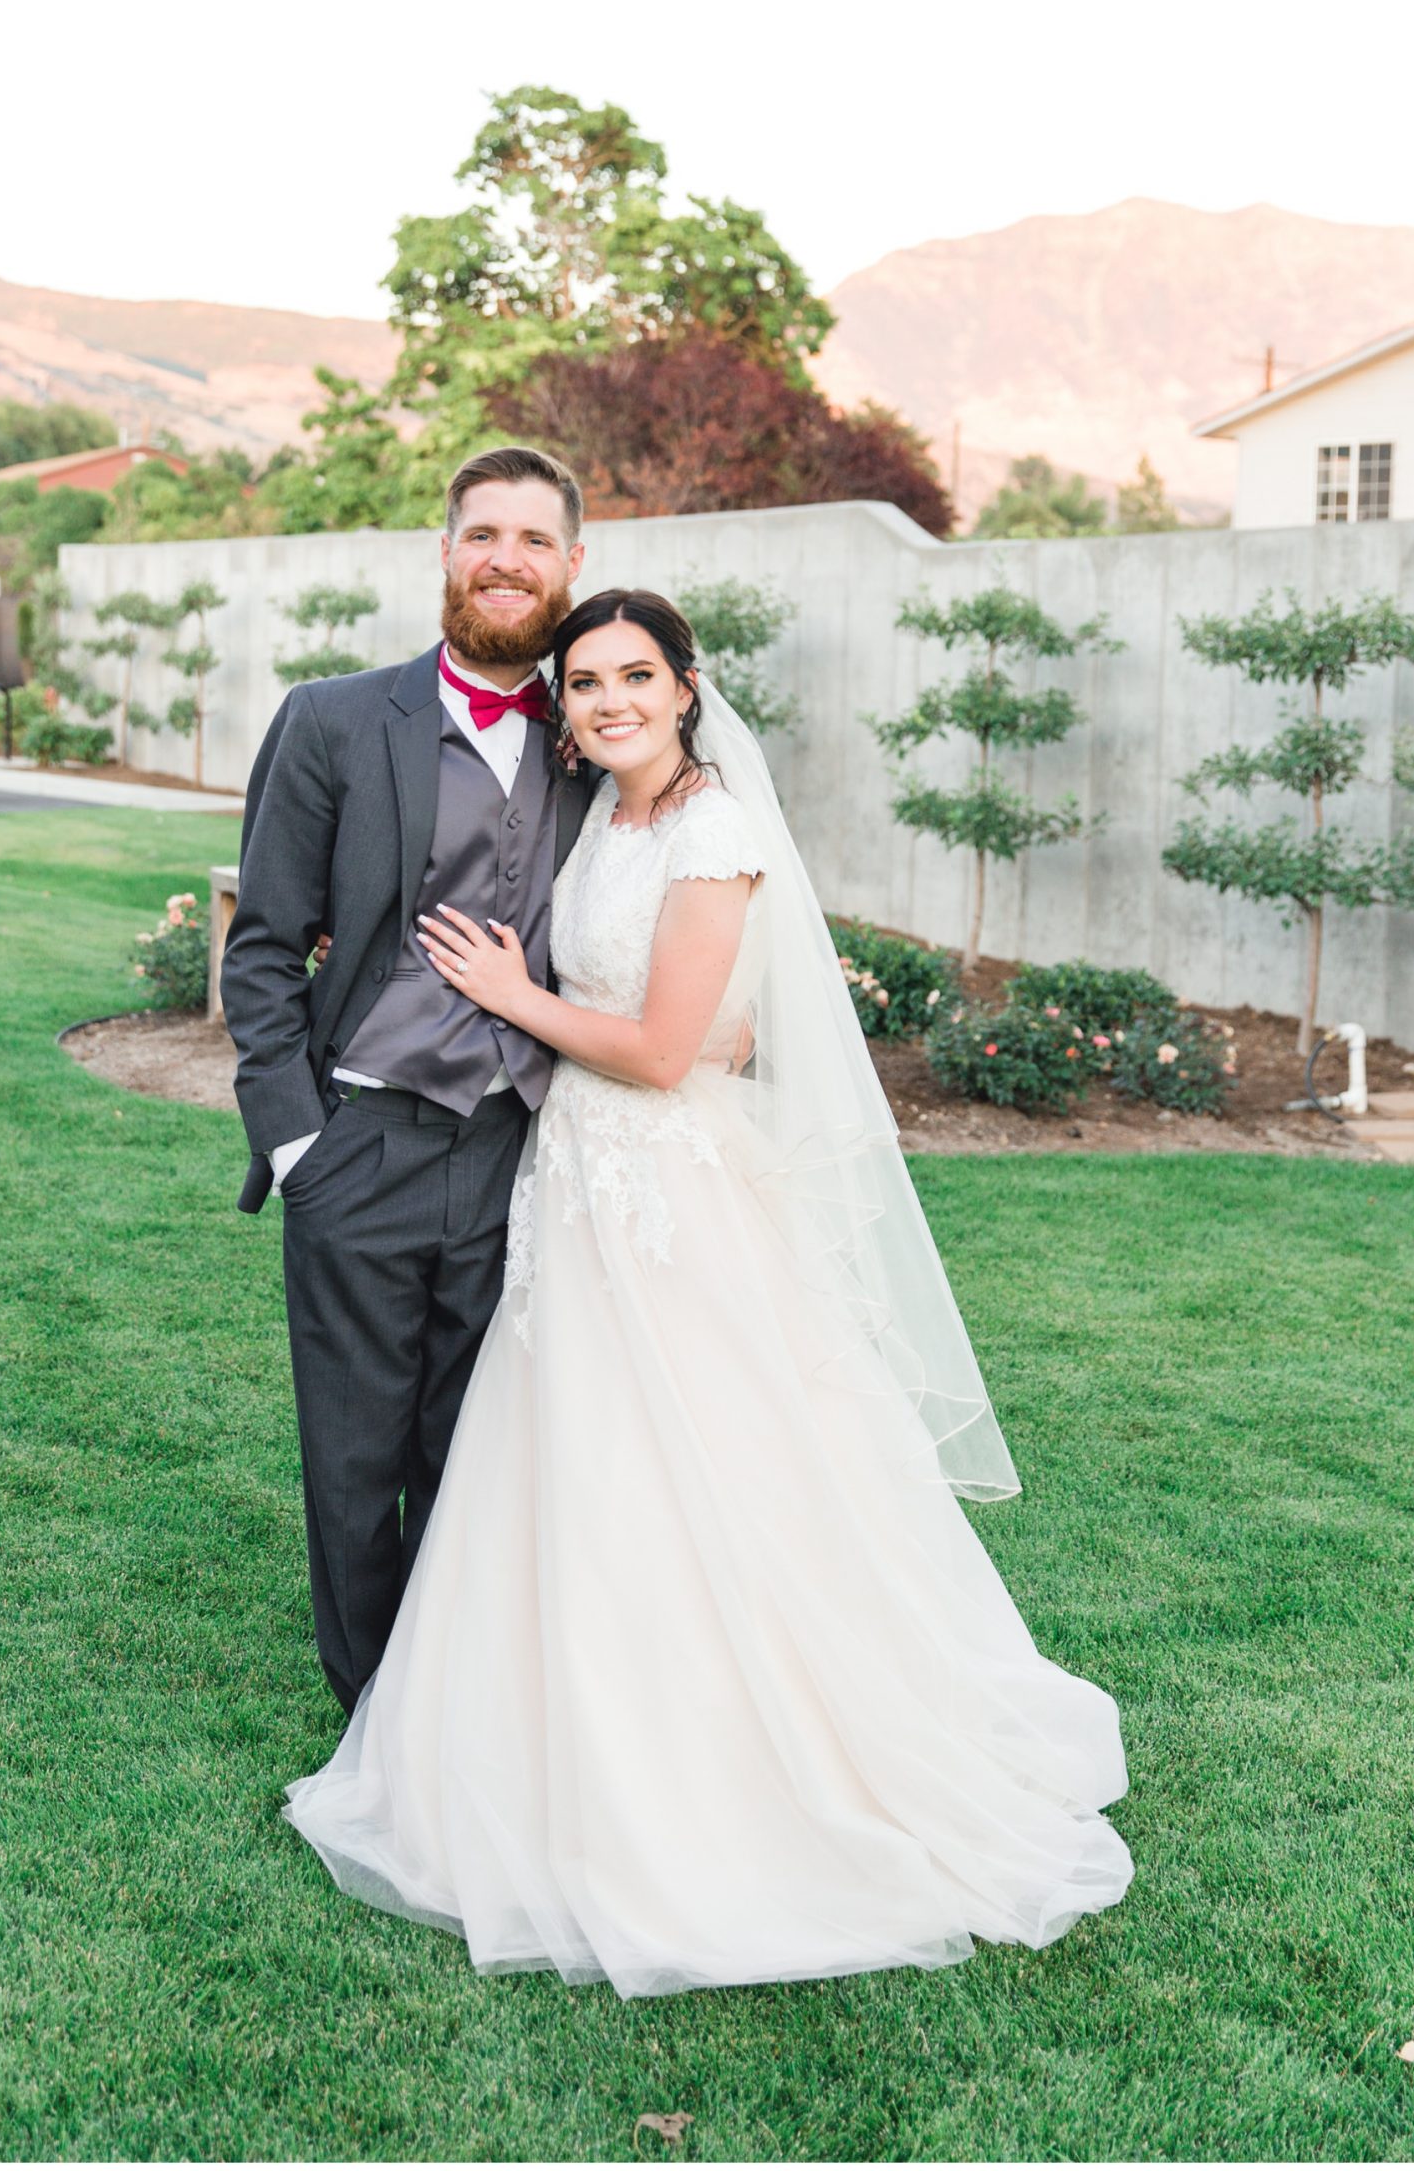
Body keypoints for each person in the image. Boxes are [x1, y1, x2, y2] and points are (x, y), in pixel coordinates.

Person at [282, 587, 1134, 1998]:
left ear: (688, 686)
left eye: (634, 676)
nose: (607, 700)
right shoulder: (598, 818)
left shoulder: (714, 827)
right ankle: (543, 1743)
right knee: (575, 1464)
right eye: (584, 682)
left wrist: (509, 991)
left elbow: (672, 1050)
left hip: (669, 1194)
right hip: (574, 1183)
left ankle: (742, 1771)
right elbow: (715, 1021)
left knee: (709, 1463)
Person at [219, 446, 597, 1715]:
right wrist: (294, 1147)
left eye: (532, 539)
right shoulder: (333, 720)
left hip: (527, 1149)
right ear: (444, 551)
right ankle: (371, 1719)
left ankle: (459, 1718)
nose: (505, 558)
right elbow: (263, 949)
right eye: (481, 533)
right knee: (351, 1457)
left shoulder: (600, 736)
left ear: (571, 566)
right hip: (360, 1143)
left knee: (479, 1451)